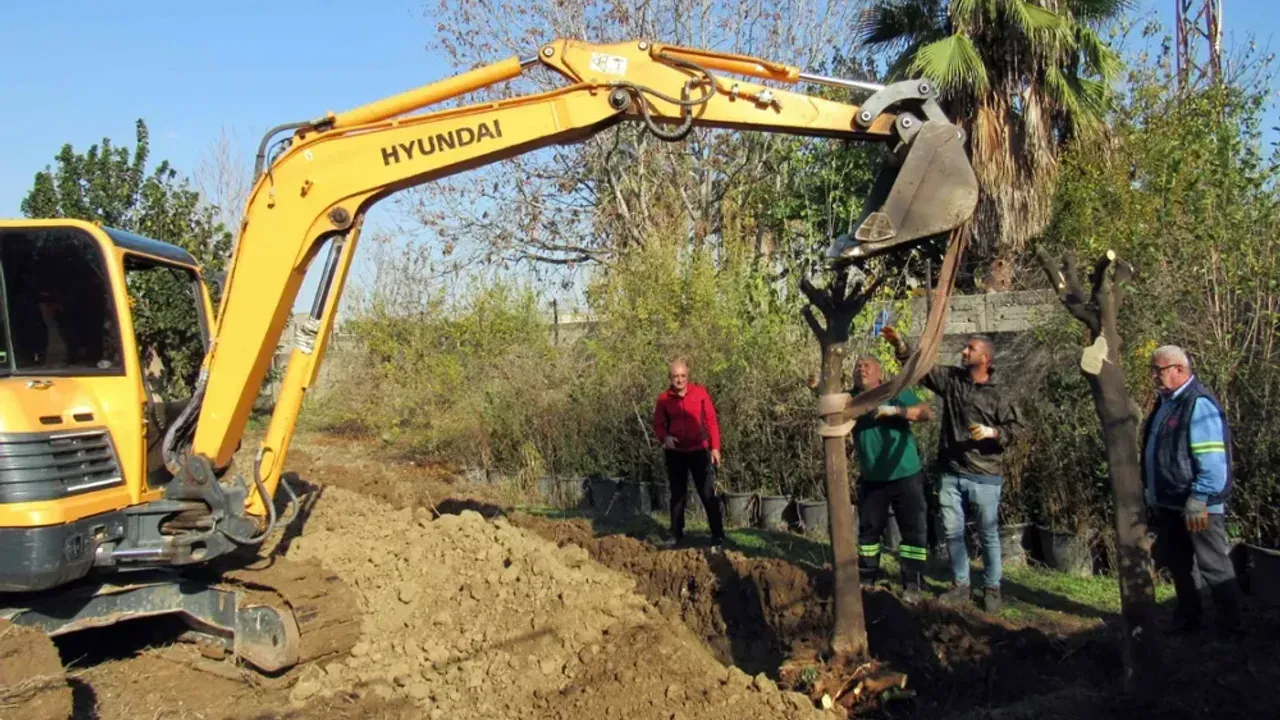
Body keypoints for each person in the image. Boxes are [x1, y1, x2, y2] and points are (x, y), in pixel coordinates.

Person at [882, 327, 1023, 613]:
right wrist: (900, 345)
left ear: (984, 357)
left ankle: (992, 587)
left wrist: (992, 433)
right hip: (951, 472)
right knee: (953, 532)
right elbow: (922, 370)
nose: (963, 351)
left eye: (970, 349)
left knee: (988, 534)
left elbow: (1017, 429)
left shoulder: (999, 394)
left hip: (985, 475)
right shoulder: (953, 382)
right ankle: (961, 585)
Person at [1142, 345, 1242, 635]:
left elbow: (1212, 459)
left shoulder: (1198, 404)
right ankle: (1189, 621)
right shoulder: (1167, 402)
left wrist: (1199, 498)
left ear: (1179, 369)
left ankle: (1231, 627)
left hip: (1198, 505)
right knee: (1181, 566)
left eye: (1158, 370)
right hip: (1173, 503)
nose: (1154, 377)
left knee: (1213, 566)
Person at [835, 355, 934, 600]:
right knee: (869, 532)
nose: (861, 370)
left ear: (879, 372)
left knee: (912, 531)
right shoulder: (851, 400)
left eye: (867, 366)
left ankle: (913, 584)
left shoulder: (894, 390)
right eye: (858, 366)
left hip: (905, 474)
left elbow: (926, 413)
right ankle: (866, 580)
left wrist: (896, 410)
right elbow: (829, 409)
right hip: (872, 478)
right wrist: (817, 386)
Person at [651, 358, 726, 549]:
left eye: (683, 376)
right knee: (677, 495)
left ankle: (718, 535)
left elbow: (711, 421)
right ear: (670, 378)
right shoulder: (664, 400)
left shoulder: (700, 394)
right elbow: (658, 424)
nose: (680, 380)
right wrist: (664, 438)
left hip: (698, 451)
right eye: (676, 376)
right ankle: (676, 534)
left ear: (688, 375)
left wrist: (715, 447)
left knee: (707, 493)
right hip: (676, 453)